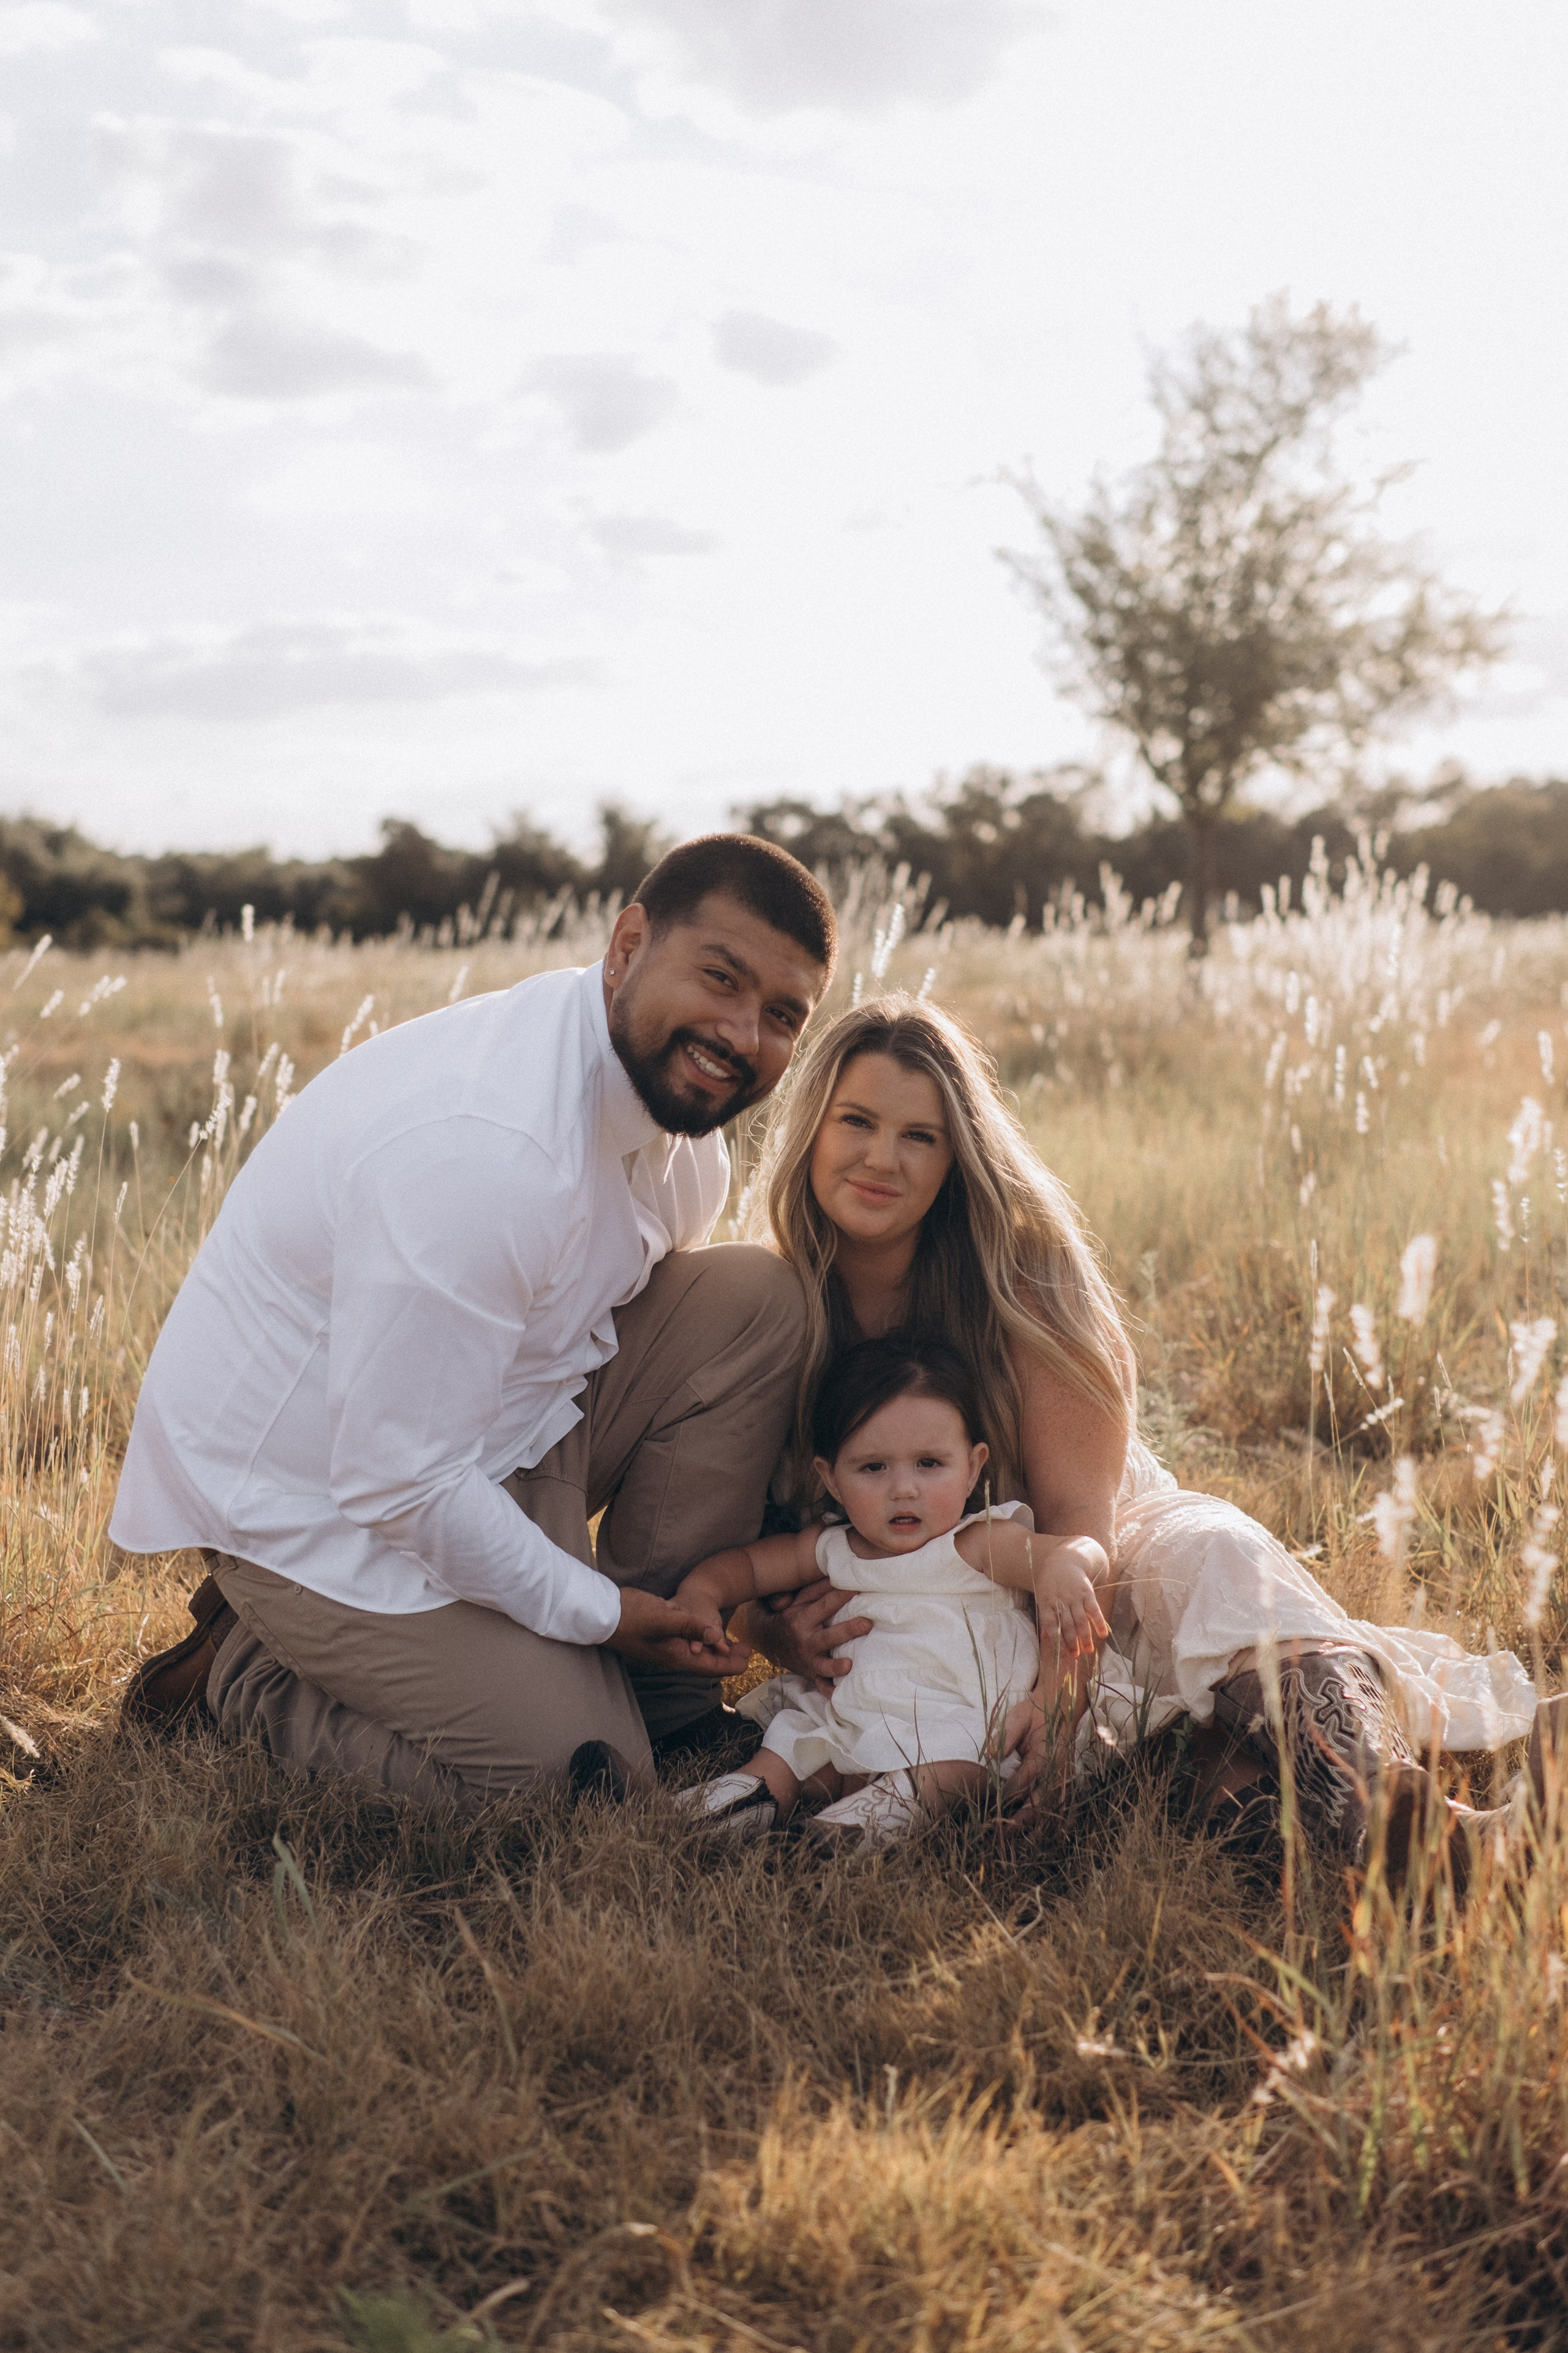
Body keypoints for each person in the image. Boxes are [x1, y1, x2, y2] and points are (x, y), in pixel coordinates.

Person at [729, 992, 1540, 1869]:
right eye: (856, 1121)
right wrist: (772, 1633)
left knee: (1215, 1558)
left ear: (956, 1155)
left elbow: (1083, 1521)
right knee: (1186, 1772)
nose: (882, 1158)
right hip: (931, 1620)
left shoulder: (1019, 1271)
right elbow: (734, 1545)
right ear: (812, 1126)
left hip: (1092, 1562)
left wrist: (1060, 1691)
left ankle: (1415, 1827)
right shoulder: (771, 1301)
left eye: (919, 1135)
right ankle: (1409, 1837)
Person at [112, 835, 831, 1804]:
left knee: (758, 1301)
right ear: (627, 946)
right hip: (315, 1504)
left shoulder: (679, 1134)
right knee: (580, 1783)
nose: (743, 1035)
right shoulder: (486, 1150)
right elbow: (396, 1479)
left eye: (782, 1015)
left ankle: (664, 1699)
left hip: (483, 1433)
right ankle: (239, 1673)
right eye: (720, 977)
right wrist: (599, 1610)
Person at [674, 1332, 1104, 1846]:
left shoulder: (978, 1542)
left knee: (960, 1759)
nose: (904, 1488)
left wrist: (1066, 1565)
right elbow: (747, 1566)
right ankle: (726, 1807)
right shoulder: (831, 1547)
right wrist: (702, 1592)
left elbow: (1080, 1548)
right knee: (792, 1746)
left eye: (929, 1463)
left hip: (952, 1723)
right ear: (831, 1478)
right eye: (874, 1467)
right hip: (851, 1718)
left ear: (973, 1467)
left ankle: (848, 1831)